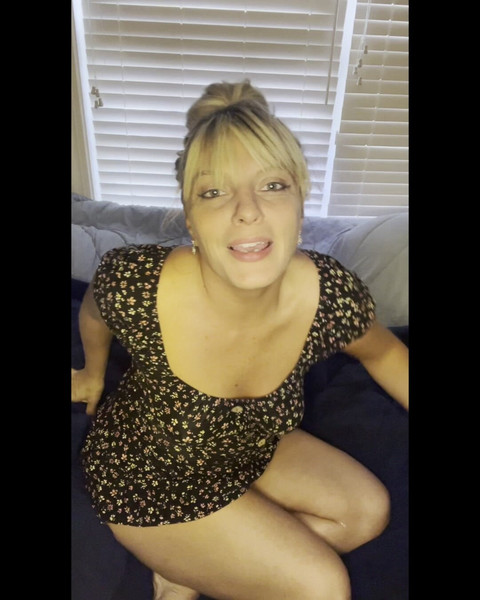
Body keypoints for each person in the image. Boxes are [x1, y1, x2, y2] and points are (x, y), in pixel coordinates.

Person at [72, 80, 408, 600]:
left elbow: (385, 352)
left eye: (272, 185)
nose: (247, 210)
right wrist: (92, 374)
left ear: (300, 204)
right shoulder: (138, 284)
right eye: (214, 192)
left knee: (367, 513)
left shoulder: (329, 295)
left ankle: (190, 571)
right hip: (150, 479)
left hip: (249, 445)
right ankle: (184, 561)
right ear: (190, 219)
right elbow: (94, 310)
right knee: (322, 587)